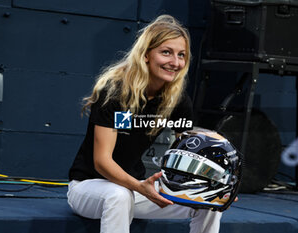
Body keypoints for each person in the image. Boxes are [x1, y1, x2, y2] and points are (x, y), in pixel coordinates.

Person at [67, 15, 222, 233]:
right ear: (146, 54)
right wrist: (139, 186)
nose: (175, 62)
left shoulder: (177, 99)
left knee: (210, 202)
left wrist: (218, 186)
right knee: (118, 195)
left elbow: (190, 150)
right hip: (89, 187)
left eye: (181, 55)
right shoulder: (114, 92)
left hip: (137, 189)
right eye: (166, 52)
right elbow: (102, 161)